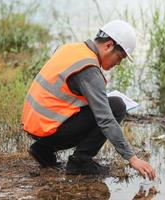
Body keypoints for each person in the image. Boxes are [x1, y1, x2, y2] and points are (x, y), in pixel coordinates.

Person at [21, 20, 156, 180]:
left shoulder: (70, 48)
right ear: (108, 46)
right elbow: (105, 120)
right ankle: (80, 163)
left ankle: (43, 150)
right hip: (48, 129)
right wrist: (132, 158)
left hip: (35, 124)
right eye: (120, 57)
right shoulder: (89, 69)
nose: (118, 63)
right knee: (117, 106)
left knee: (105, 104)